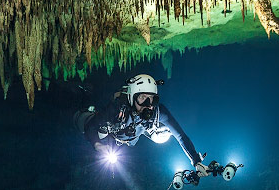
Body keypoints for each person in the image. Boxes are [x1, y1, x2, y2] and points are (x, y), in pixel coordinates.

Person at [73, 73, 209, 177]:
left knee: (164, 135)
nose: (148, 105)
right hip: (112, 137)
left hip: (137, 134)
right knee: (88, 125)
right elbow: (90, 127)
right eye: (142, 98)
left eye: (151, 99)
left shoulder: (158, 111)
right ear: (132, 97)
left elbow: (180, 135)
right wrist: (98, 145)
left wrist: (196, 161)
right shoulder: (117, 109)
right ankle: (84, 96)